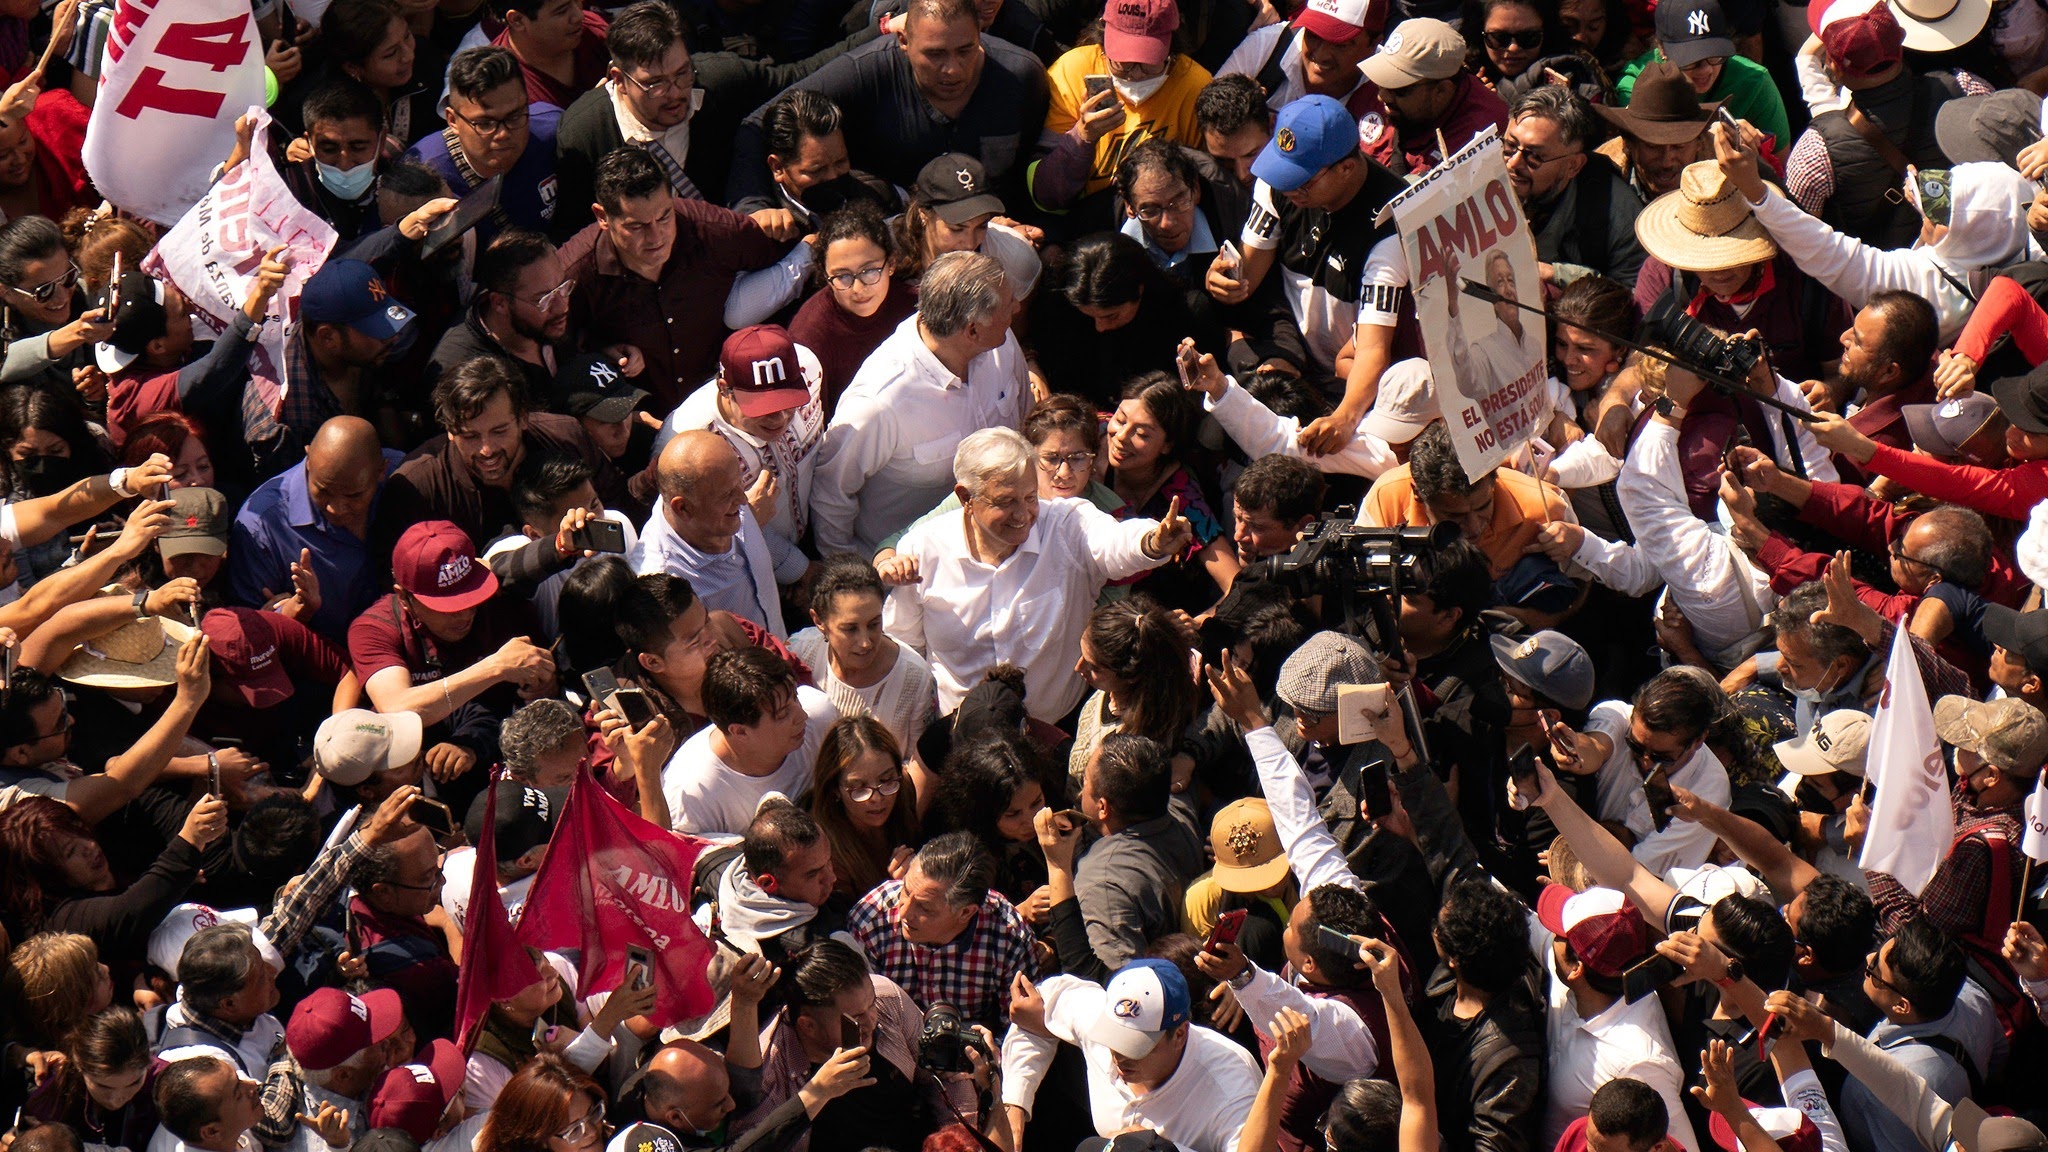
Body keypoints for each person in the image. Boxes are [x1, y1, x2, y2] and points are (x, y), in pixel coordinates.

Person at [882, 427, 1188, 724]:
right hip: (960, 732)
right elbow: (904, 645)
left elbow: (1115, 544)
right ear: (966, 498)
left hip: (1054, 729)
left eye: (1030, 497)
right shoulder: (923, 548)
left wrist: (1153, 541)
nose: (1023, 514)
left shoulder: (1067, 526)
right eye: (1006, 501)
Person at [1208, 95, 1409, 446]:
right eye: (1283, 173)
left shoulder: (1390, 227)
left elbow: (1374, 348)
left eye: (1302, 181)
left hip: (1348, 381)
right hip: (1293, 348)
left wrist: (1344, 417)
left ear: (1347, 166)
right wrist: (1224, 280)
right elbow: (1246, 278)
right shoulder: (1276, 183)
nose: (1288, 189)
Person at [725, 0, 1051, 214]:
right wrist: (755, 208)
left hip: (987, 231)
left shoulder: (1022, 77)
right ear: (903, 41)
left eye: (965, 51)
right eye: (935, 55)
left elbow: (1034, 169)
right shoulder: (866, 71)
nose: (952, 69)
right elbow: (757, 124)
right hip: (885, 237)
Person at [811, 251, 1031, 557]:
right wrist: (856, 578)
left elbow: (1024, 418)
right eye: (1009, 305)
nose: (1017, 308)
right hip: (905, 569)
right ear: (972, 331)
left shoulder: (1001, 343)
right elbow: (830, 492)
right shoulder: (879, 403)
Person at [560, 147, 793, 409]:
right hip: (643, 423)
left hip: (726, 406)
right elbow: (555, 354)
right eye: (637, 226)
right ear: (602, 217)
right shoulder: (573, 274)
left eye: (664, 217)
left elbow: (792, 254)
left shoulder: (714, 232)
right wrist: (600, 353)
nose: (656, 237)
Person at [997, 959, 1261, 1152]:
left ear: (1179, 1034)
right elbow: (1030, 1014)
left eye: (1136, 1047)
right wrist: (1015, 1103)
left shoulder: (1231, 1088)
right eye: (1114, 1039)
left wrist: (1160, 1148)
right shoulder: (1094, 1017)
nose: (1119, 1057)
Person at [377, 356, 626, 557]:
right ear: (450, 431)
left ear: (523, 418)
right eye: (470, 436)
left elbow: (620, 506)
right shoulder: (417, 486)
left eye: (499, 431)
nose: (487, 449)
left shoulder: (565, 436)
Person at [1783, 0, 1970, 250]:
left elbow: (1800, 237)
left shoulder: (1815, 150)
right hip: (1964, 258)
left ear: (1834, 67)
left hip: (1876, 280)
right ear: (1901, 47)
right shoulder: (1965, 89)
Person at [656, 324, 828, 553]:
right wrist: (749, 525)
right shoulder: (687, 440)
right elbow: (690, 539)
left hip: (820, 530)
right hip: (752, 562)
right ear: (725, 388)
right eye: (763, 407)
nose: (781, 417)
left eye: (789, 401)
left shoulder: (809, 368)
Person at [1032, 0, 1212, 213]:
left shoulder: (1195, 85)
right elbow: (1048, 195)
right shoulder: (1071, 70)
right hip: (1085, 217)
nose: (1136, 73)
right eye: (1123, 63)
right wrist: (1082, 137)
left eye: (1149, 63)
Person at [229, 417, 398, 644]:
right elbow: (247, 632)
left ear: (381, 471)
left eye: (354, 496)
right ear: (308, 459)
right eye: (323, 491)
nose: (335, 508)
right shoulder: (261, 524)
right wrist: (294, 611)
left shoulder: (404, 478)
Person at [845, 831, 1033, 1027]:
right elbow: (856, 1024)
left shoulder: (1009, 935)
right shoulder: (870, 922)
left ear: (965, 912)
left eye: (924, 907)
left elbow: (1025, 1029)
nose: (904, 913)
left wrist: (993, 1052)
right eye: (905, 891)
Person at [631, 430, 806, 637]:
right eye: (727, 495)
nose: (743, 500)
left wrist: (802, 570)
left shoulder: (719, 501)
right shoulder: (663, 589)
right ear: (683, 508)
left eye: (740, 483)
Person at [661, 646, 838, 835]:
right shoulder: (692, 797)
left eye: (795, 697)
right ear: (740, 732)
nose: (802, 715)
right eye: (783, 714)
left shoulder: (820, 717)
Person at [787, 557, 937, 767]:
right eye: (850, 629)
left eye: (874, 624)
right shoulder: (798, 652)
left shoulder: (916, 678)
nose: (865, 642)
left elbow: (919, 766)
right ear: (819, 621)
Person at [401, 47, 564, 240]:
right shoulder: (418, 174)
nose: (503, 134)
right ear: (452, 120)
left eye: (514, 116)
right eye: (485, 123)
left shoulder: (554, 131)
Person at [786, 205, 919, 414]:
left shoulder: (916, 307)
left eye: (869, 271)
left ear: (891, 264)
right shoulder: (810, 336)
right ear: (825, 275)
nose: (858, 289)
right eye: (842, 276)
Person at [1614, 0, 1788, 148]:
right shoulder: (1635, 84)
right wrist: (1716, 134)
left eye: (1714, 54)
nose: (1706, 69)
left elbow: (1780, 172)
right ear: (1661, 48)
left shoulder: (1755, 82)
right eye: (1691, 59)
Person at [1356, 18, 1510, 177]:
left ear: (1441, 91)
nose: (1382, 96)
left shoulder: (1477, 143)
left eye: (1400, 90)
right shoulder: (1382, 101)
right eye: (1382, 80)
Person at [806, 715, 920, 900]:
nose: (876, 798)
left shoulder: (905, 790)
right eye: (859, 788)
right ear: (835, 789)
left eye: (886, 780)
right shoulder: (824, 853)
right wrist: (895, 891)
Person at [1594, 61, 1718, 201]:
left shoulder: (1729, 181)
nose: (1667, 162)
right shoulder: (1598, 184)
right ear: (1628, 144)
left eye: (1679, 146)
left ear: (1699, 143)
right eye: (1652, 146)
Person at [150, 1055, 264, 1152]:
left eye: (239, 1079)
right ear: (212, 1131)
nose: (253, 1085)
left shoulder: (229, 1135)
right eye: (238, 1094)